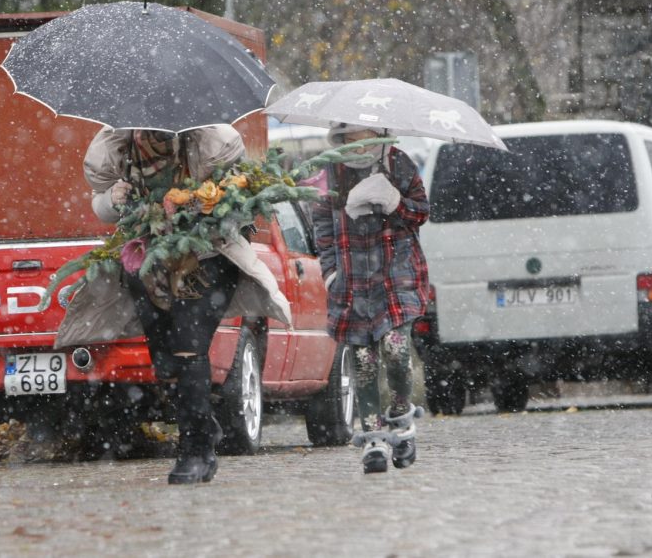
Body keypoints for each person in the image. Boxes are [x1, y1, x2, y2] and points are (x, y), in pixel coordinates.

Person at [55, 125, 292, 484]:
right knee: (165, 362)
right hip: (148, 261)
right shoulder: (120, 147)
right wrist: (113, 199)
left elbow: (240, 201)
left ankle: (195, 451)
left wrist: (201, 203)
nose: (151, 132)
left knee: (188, 350)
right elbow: (102, 203)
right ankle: (205, 426)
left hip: (207, 259)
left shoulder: (211, 144)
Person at [311, 124, 430, 474]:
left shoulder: (398, 165)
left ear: (378, 132)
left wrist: (394, 202)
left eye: (366, 135)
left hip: (396, 277)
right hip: (353, 281)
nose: (359, 143)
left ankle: (401, 417)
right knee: (362, 361)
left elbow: (420, 213)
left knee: (396, 349)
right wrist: (331, 273)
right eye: (351, 136)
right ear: (342, 137)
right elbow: (322, 228)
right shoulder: (330, 173)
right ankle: (373, 437)